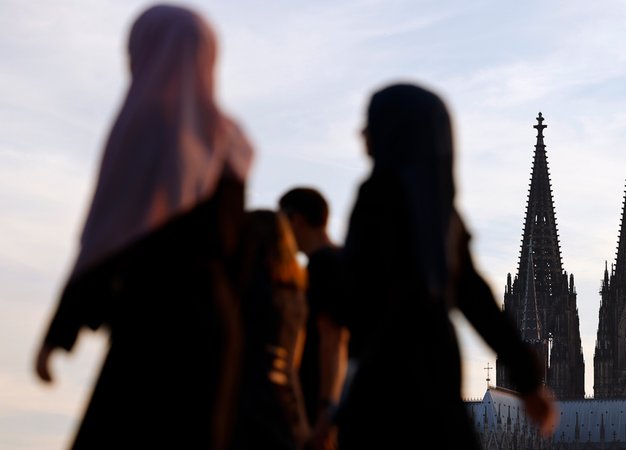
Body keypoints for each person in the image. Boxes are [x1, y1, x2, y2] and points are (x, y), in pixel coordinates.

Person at [33, 4, 254, 449]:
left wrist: (62, 331)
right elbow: (235, 249)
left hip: (154, 325)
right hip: (215, 326)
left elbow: (112, 231)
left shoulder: (148, 125)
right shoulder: (230, 140)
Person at [335, 83, 558, 449]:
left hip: (383, 373)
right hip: (437, 367)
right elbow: (476, 299)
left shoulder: (376, 197)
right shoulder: (443, 214)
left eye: (372, 125)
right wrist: (530, 382)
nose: (362, 134)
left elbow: (351, 298)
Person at [232, 209, 310, 450]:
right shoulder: (296, 295)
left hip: (247, 404)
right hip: (287, 408)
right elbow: (293, 361)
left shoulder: (244, 288)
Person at [278, 187, 349, 450]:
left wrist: (325, 410)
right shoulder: (341, 259)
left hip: (318, 399)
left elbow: (332, 337)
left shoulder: (321, 266)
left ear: (295, 219)